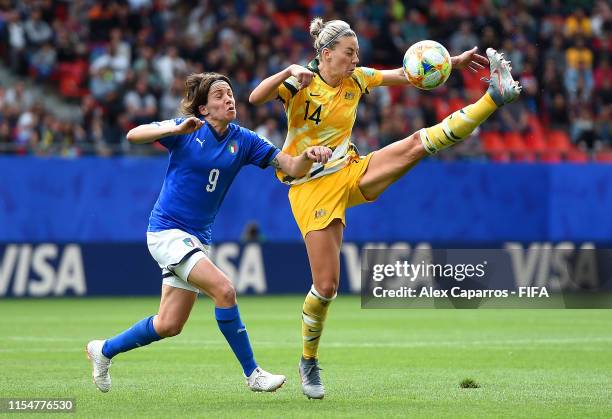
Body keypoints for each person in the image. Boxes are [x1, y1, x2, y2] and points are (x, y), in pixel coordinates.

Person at [249, 18, 521, 399]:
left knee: (416, 144)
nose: (355, 58)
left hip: (350, 170)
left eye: (356, 52)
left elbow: (408, 75)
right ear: (326, 55)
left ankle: (494, 96)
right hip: (310, 188)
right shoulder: (302, 84)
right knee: (326, 286)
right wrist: (288, 71)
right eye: (349, 53)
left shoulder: (357, 79)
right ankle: (308, 360)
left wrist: (450, 62)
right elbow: (255, 99)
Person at [86, 72, 332, 393]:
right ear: (203, 109)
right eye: (219, 96)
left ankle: (103, 350)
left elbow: (290, 166)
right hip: (167, 232)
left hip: (197, 238)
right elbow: (134, 134)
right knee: (225, 290)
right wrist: (175, 127)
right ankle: (253, 374)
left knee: (169, 324)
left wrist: (308, 157)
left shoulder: (244, 139)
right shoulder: (188, 130)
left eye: (230, 94)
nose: (228, 99)